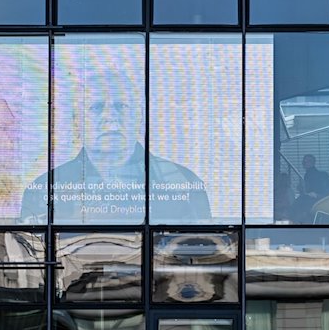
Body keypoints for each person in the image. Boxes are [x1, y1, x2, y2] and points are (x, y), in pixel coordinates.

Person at [20, 63, 211, 224]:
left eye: (121, 106)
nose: (111, 117)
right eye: (96, 107)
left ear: (139, 117)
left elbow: (203, 254)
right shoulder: (44, 189)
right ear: (77, 121)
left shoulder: (184, 184)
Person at [290, 154, 329, 223]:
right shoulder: (309, 174)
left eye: (308, 161)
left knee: (296, 207)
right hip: (317, 200)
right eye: (304, 161)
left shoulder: (312, 174)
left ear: (313, 162)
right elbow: (308, 190)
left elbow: (312, 191)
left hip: (317, 201)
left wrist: (316, 195)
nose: (305, 163)